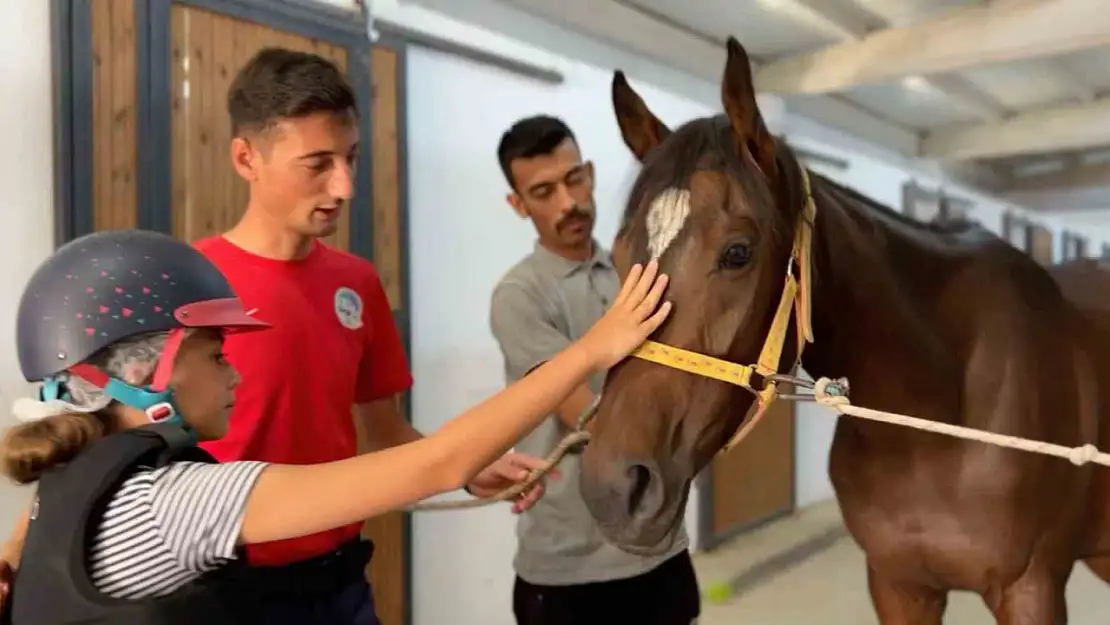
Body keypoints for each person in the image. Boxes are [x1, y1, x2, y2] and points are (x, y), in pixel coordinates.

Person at [0, 229, 671, 623]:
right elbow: (436, 463)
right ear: (146, 373)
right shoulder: (175, 502)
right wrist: (591, 350)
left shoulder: (62, 484)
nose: (235, 374)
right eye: (214, 355)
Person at [489, 115, 702, 625]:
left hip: (660, 548)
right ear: (518, 205)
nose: (568, 203)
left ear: (589, 173)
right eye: (543, 191)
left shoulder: (640, 276)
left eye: (573, 180)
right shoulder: (521, 296)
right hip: (569, 568)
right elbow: (580, 409)